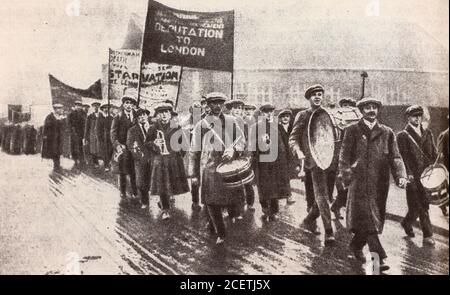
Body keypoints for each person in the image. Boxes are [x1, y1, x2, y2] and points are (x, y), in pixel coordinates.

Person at [339, 97, 407, 271]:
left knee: (368, 221)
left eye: (374, 108)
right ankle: (379, 259)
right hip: (358, 183)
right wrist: (347, 177)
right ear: (361, 111)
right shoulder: (352, 130)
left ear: (378, 110)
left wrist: (400, 176)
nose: (371, 110)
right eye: (367, 107)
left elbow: (396, 157)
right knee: (370, 221)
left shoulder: (387, 132)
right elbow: (344, 157)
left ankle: (355, 245)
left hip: (379, 185)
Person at [188, 92, 246, 244]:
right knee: (212, 201)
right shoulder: (201, 125)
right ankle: (221, 232)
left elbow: (241, 141)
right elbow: (193, 151)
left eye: (220, 103)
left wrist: (234, 150)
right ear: (208, 105)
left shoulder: (232, 121)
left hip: (229, 167)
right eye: (214, 103)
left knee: (231, 197)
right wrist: (193, 174)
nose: (218, 106)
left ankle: (221, 222)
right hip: (210, 168)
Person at [289, 84, 336, 245]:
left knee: (326, 196)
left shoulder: (328, 114)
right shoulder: (303, 115)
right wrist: (298, 152)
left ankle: (309, 218)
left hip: (330, 161)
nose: (317, 97)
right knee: (321, 195)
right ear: (309, 98)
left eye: (320, 94)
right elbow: (293, 139)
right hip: (313, 161)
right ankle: (329, 231)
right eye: (314, 95)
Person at [397, 105, 437, 245]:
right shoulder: (402, 136)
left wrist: (436, 166)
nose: (418, 118)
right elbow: (403, 158)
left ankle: (406, 223)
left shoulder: (428, 133)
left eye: (419, 115)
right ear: (408, 118)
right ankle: (428, 235)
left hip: (426, 176)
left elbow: (433, 153)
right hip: (412, 177)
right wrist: (407, 174)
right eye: (414, 116)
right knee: (422, 205)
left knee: (416, 207)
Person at [147, 103, 190, 220]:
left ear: (170, 114)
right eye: (161, 113)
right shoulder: (153, 128)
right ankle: (165, 209)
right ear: (158, 115)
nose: (164, 115)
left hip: (173, 160)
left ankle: (163, 203)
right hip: (160, 160)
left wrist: (180, 155)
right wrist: (154, 145)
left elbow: (184, 144)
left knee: (171, 184)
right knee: (162, 186)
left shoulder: (176, 127)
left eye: (166, 112)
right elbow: (147, 143)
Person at [249, 104, 291, 222]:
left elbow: (284, 143)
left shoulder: (277, 126)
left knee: (275, 186)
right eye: (266, 112)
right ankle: (265, 209)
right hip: (262, 162)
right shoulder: (255, 127)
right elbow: (252, 146)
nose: (269, 114)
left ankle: (274, 211)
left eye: (271, 111)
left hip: (276, 162)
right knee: (263, 186)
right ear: (261, 113)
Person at [330, 97, 358, 219]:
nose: (347, 108)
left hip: (354, 161)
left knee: (351, 190)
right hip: (339, 162)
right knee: (342, 189)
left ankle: (336, 207)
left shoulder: (356, 125)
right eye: (344, 105)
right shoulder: (336, 124)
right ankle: (337, 208)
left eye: (349, 106)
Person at [224, 99, 252, 218]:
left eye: (240, 108)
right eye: (235, 108)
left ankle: (239, 209)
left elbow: (247, 139)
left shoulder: (244, 124)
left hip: (240, 155)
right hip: (226, 154)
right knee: (226, 183)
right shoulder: (225, 122)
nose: (237, 110)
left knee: (240, 184)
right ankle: (226, 208)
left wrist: (244, 150)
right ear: (230, 109)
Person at [111, 89, 138, 199]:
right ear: (123, 104)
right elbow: (113, 132)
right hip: (123, 147)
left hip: (134, 147)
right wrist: (117, 145)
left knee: (134, 170)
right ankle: (122, 191)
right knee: (122, 171)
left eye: (131, 103)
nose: (129, 105)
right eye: (127, 103)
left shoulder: (137, 116)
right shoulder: (118, 116)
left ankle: (135, 191)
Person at [127, 108, 153, 209]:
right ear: (137, 118)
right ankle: (145, 201)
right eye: (140, 116)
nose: (142, 117)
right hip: (140, 159)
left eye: (144, 115)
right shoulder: (132, 130)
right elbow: (130, 144)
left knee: (155, 178)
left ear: (147, 116)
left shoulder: (152, 128)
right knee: (142, 181)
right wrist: (138, 155)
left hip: (152, 157)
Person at [278, 108, 296, 204]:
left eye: (287, 116)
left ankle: (286, 195)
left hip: (291, 154)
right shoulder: (277, 128)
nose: (285, 118)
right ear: (280, 118)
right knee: (283, 175)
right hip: (281, 155)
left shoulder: (292, 128)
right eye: (283, 116)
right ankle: (288, 196)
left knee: (288, 175)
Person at [42, 104, 64, 171]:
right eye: (59, 109)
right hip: (52, 138)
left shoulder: (60, 117)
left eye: (61, 109)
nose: (61, 110)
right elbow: (46, 127)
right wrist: (45, 135)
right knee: (54, 150)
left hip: (59, 137)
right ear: (55, 109)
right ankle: (56, 165)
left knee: (58, 150)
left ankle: (57, 164)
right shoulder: (50, 117)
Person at [96, 104, 115, 172]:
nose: (106, 109)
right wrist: (99, 138)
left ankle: (109, 162)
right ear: (102, 109)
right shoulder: (100, 118)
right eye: (105, 108)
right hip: (103, 138)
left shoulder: (111, 117)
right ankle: (106, 165)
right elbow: (98, 129)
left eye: (107, 108)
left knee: (110, 151)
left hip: (110, 137)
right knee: (105, 152)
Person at [68, 101, 86, 167]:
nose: (78, 107)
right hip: (74, 134)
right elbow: (69, 124)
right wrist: (72, 132)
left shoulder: (83, 114)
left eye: (79, 106)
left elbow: (85, 124)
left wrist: (84, 133)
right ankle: (75, 161)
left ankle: (82, 160)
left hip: (81, 133)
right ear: (75, 106)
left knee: (81, 147)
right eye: (77, 105)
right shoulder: (71, 114)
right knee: (74, 147)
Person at [437, 116, 449, 216]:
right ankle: (443, 205)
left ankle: (444, 204)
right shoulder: (444, 135)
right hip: (447, 165)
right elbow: (440, 153)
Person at [84, 102, 101, 166]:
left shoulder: (101, 115)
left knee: (98, 147)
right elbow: (87, 127)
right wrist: (85, 137)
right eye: (94, 106)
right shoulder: (90, 116)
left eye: (97, 106)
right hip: (92, 134)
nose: (95, 108)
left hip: (99, 134)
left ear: (99, 107)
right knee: (93, 148)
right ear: (93, 107)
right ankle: (95, 161)